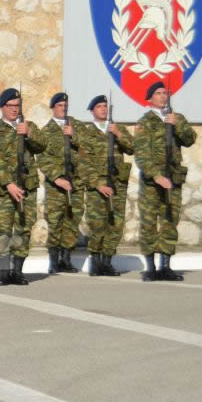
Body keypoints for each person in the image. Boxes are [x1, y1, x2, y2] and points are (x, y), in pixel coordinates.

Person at [134, 81, 196, 282]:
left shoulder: (177, 118)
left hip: (173, 178)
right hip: (153, 183)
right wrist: (156, 176)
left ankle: (166, 266)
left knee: (170, 221)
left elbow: (190, 139)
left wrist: (176, 125)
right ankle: (150, 267)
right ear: (150, 98)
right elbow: (141, 155)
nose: (163, 96)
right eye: (158, 93)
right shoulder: (145, 122)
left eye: (165, 93)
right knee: (149, 223)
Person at [0, 87, 45, 286]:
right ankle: (4, 271)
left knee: (24, 229)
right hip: (3, 191)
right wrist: (8, 183)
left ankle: (18, 271)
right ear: (2, 107)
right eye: (10, 106)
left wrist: (28, 133)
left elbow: (43, 145)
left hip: (27, 186)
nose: (14, 109)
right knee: (3, 230)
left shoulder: (29, 125)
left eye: (17, 106)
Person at [81, 95, 132, 277]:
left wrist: (118, 133)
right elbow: (83, 163)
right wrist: (98, 184)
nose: (103, 109)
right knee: (97, 224)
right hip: (98, 187)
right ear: (92, 110)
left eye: (105, 106)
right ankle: (96, 262)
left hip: (118, 184)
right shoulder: (86, 134)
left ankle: (107, 262)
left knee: (115, 224)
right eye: (99, 106)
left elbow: (132, 148)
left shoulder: (118, 130)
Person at [38, 92, 86, 274]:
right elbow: (42, 158)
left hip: (76, 183)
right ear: (53, 108)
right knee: (56, 221)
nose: (63, 108)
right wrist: (57, 178)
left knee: (72, 221)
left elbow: (89, 148)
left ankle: (66, 259)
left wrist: (74, 136)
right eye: (59, 105)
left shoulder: (77, 126)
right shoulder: (46, 131)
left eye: (65, 105)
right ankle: (54, 260)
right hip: (56, 186)